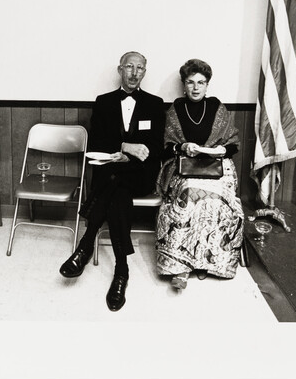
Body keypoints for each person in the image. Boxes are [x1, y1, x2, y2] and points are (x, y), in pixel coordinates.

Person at [59, 51, 165, 311]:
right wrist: (124, 146)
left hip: (140, 174)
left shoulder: (155, 103)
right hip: (111, 171)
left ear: (144, 72)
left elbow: (157, 149)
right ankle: (122, 269)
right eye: (129, 66)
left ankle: (85, 244)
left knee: (114, 183)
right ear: (120, 69)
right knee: (117, 190)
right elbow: (96, 142)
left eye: (140, 68)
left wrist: (131, 158)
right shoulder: (103, 102)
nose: (134, 72)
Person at [155, 58, 244, 289]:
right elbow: (166, 146)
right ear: (184, 84)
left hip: (217, 168)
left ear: (207, 85)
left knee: (218, 199)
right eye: (190, 82)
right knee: (188, 194)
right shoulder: (176, 108)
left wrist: (221, 150)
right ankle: (180, 267)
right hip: (183, 168)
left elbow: (233, 144)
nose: (195, 87)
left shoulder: (216, 106)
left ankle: (212, 262)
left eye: (201, 82)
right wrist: (182, 148)